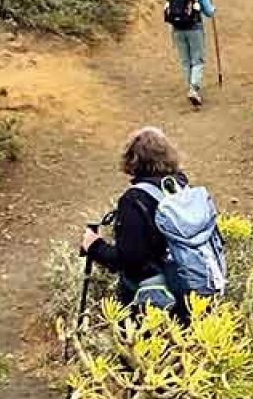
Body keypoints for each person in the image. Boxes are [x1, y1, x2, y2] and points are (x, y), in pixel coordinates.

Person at [81, 126, 190, 314]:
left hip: (154, 301)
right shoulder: (180, 186)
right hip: (187, 288)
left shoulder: (135, 200)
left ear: (132, 160)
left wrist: (95, 246)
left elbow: (129, 260)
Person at [164, 0, 216, 107]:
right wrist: (213, 8)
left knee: (185, 60)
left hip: (176, 29)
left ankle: (190, 87)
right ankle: (194, 89)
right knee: (198, 59)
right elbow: (209, 12)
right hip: (195, 29)